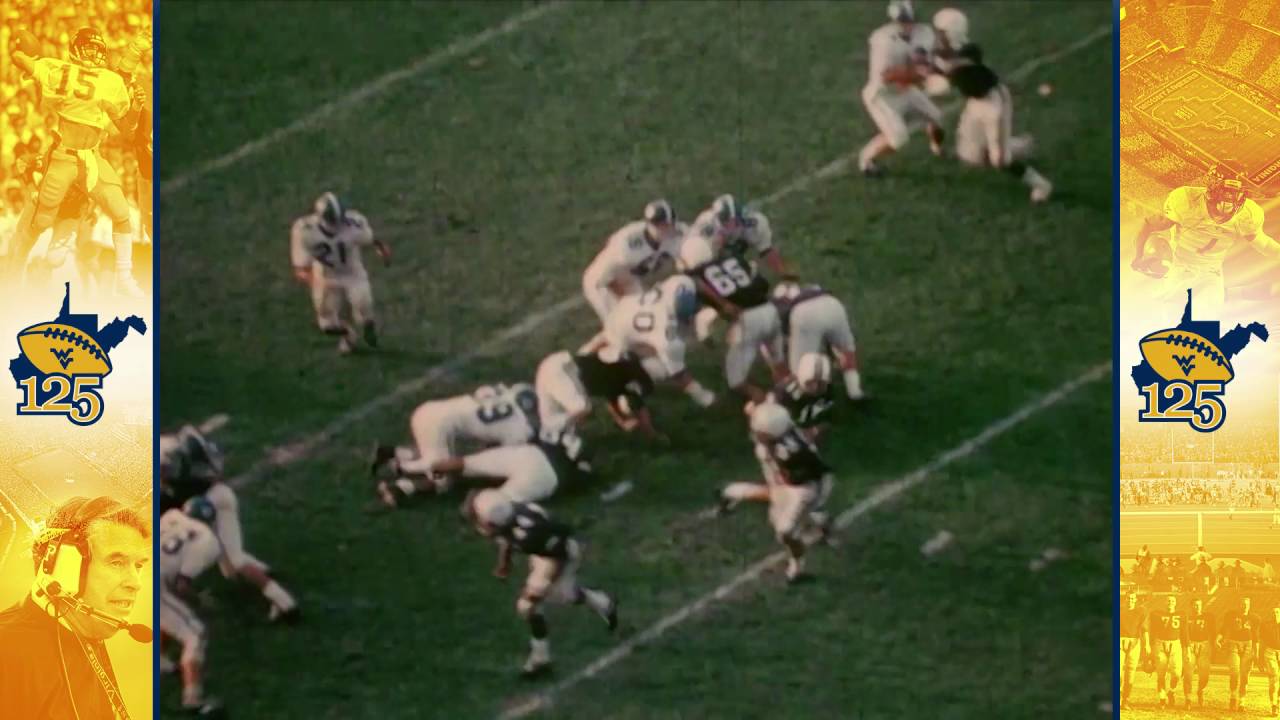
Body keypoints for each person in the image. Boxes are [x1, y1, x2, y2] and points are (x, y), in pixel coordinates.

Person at [0, 496, 151, 718]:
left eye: (138, 566)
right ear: (62, 566)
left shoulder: (87, 633)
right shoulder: (6, 650)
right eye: (116, 563)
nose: (135, 583)